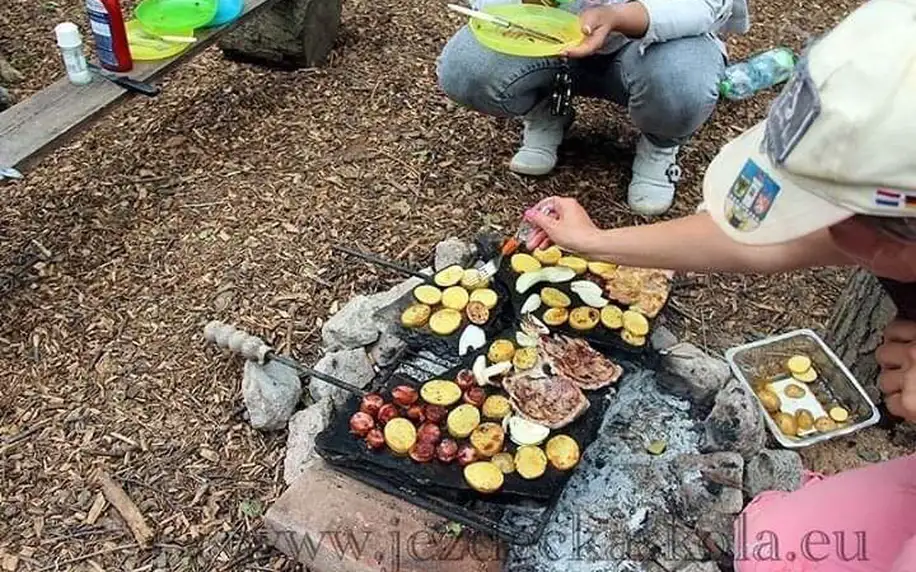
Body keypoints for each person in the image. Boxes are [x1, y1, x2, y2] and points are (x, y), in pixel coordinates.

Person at [520, 0, 916, 569]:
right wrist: (596, 243)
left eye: (818, 209)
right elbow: (751, 238)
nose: (807, 225)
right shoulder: (883, 210)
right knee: (773, 539)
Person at [435, 0, 748, 216]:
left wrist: (619, 17)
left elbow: (705, 5)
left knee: (683, 82)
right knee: (467, 70)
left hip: (649, 46)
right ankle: (547, 108)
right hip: (548, 38)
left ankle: (660, 144)